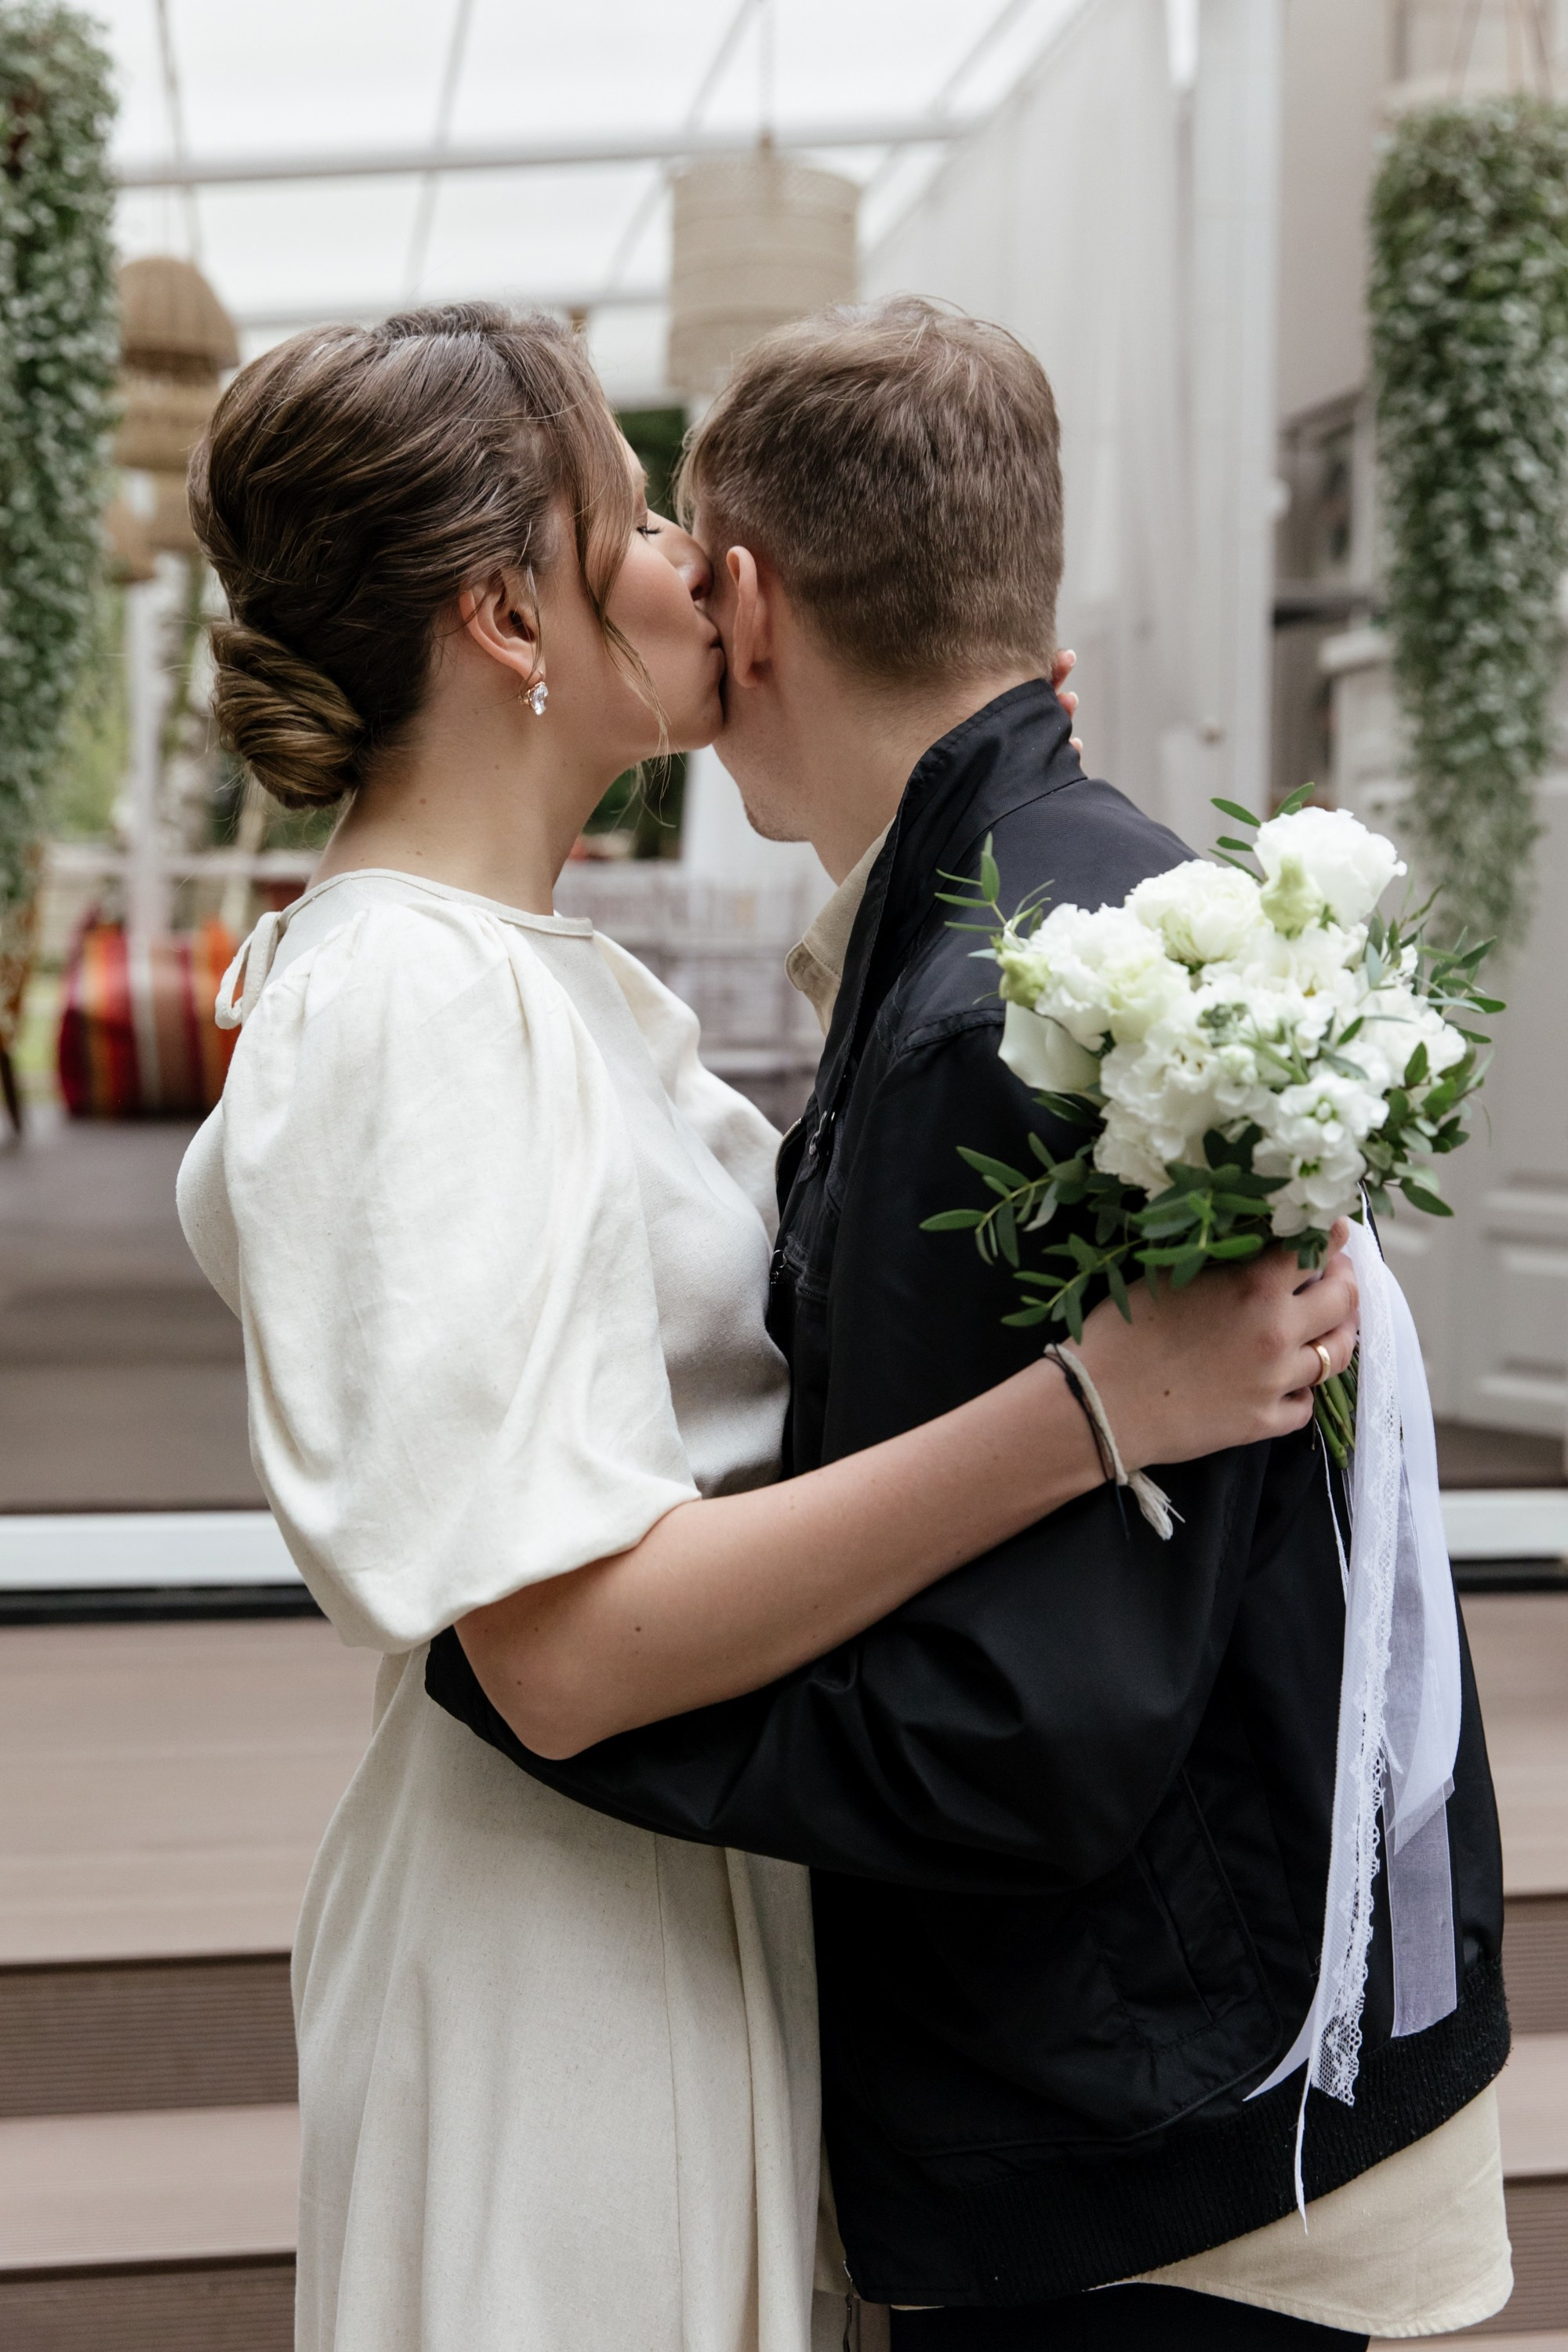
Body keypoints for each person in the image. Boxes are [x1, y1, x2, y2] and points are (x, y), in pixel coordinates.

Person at [174, 305, 1359, 2352]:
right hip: (563, 1945)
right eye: (636, 519)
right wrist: (1094, 1407)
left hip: (698, 1897)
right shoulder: (408, 1007)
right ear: (504, 614)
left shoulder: (522, 978)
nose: (693, 571)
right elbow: (552, 1652)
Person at [428, 301, 1512, 2350]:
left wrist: (534, 1688)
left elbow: (1021, 1736)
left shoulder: (988, 1018)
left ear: (745, 602)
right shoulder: (1094, 897)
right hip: (1239, 2033)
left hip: (1137, 2140)